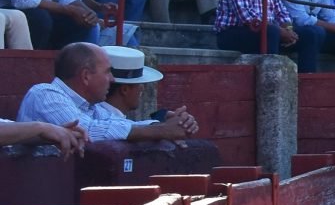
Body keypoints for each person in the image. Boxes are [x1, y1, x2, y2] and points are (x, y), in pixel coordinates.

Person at [15, 43, 201, 143]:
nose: (112, 79)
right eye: (107, 72)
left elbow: (122, 124)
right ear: (86, 76)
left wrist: (169, 124)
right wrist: (161, 130)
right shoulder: (45, 94)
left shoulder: (90, 106)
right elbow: (88, 133)